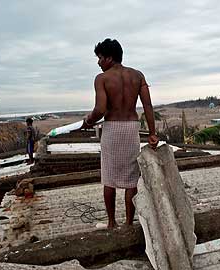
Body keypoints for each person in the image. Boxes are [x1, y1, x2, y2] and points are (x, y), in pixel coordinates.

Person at [81, 38, 159, 229]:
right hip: (131, 128)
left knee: (110, 178)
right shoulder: (138, 75)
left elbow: (100, 109)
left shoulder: (102, 79)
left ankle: (111, 222)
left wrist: (88, 121)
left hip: (113, 129)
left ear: (109, 58)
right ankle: (129, 223)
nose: (98, 62)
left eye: (100, 58)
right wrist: (152, 132)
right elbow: (147, 105)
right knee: (131, 179)